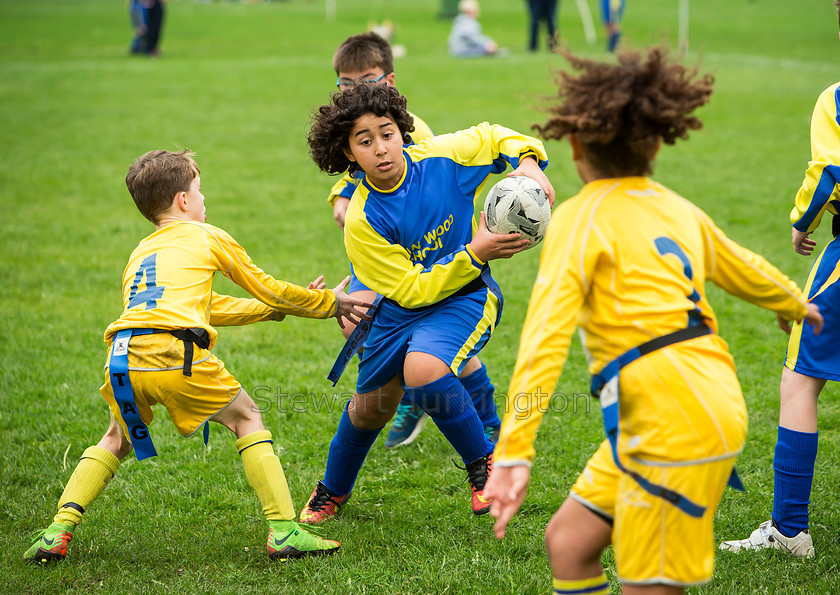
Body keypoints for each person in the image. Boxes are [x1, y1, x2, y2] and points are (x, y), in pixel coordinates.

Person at [484, 47, 823, 595]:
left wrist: (516, 452)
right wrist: (793, 304)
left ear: (573, 145)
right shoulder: (674, 205)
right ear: (657, 143)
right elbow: (739, 264)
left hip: (674, 419)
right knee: (569, 542)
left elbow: (543, 343)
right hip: (686, 406)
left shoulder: (577, 219)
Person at [23, 149, 373, 565]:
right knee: (247, 417)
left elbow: (210, 307)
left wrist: (279, 309)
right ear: (183, 201)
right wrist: (324, 302)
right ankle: (284, 531)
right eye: (200, 191)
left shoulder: (140, 254)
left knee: (115, 438)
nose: (204, 200)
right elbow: (266, 287)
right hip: (176, 354)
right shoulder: (206, 236)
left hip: (121, 357)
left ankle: (56, 532)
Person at [302, 83, 554, 523]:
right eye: (365, 141)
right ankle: (332, 491)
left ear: (402, 130)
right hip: (404, 305)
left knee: (423, 370)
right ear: (347, 154)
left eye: (387, 133)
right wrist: (475, 251)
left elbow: (495, 136)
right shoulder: (362, 219)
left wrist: (529, 163)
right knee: (369, 411)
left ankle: (485, 470)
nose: (381, 149)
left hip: (464, 296)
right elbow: (412, 290)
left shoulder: (441, 158)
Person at [328, 31, 503, 449]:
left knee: (428, 342)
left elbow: (422, 185)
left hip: (426, 258)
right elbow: (355, 178)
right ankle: (419, 394)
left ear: (389, 80)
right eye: (347, 84)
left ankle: (477, 415)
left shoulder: (411, 131)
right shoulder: (355, 127)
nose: (358, 89)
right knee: (362, 324)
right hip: (384, 252)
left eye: (367, 79)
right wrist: (339, 197)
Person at [718, 0, 840, 560]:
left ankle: (790, 529)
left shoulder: (834, 98)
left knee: (799, 381)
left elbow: (829, 173)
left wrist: (801, 222)